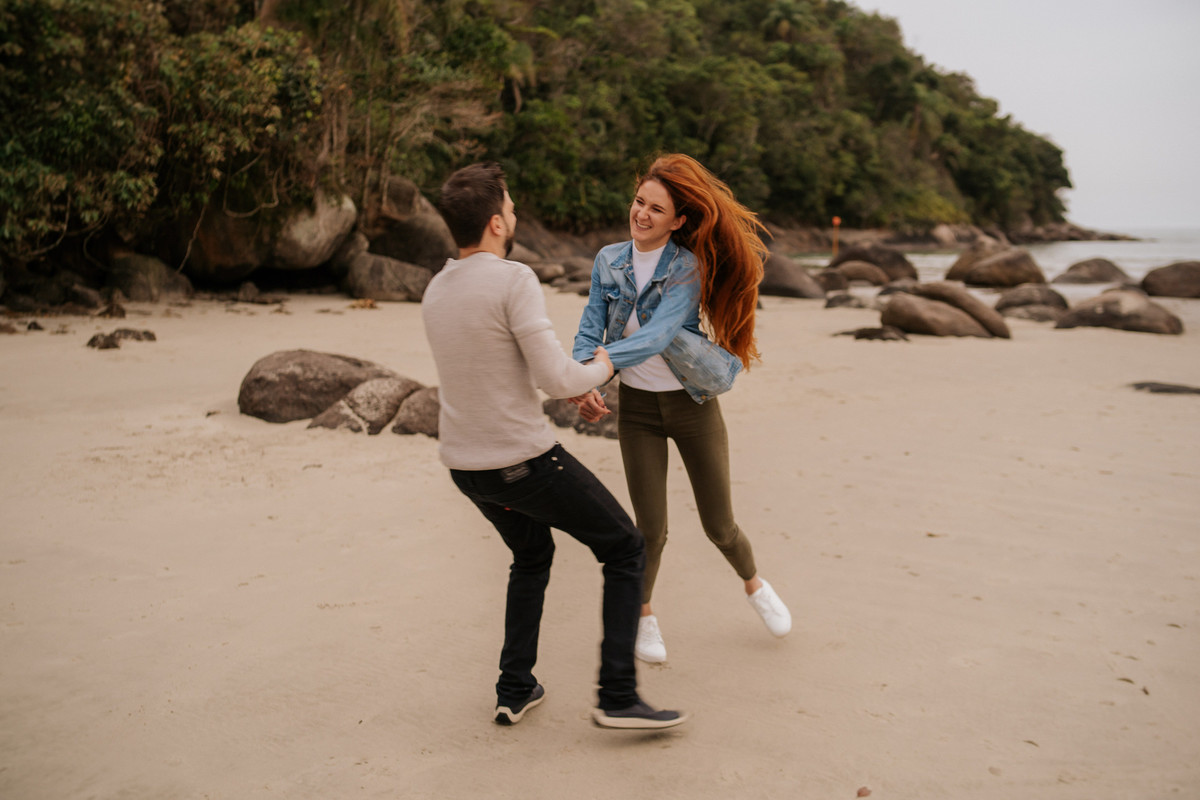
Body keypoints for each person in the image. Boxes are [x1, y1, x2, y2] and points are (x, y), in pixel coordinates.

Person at [421, 162, 686, 729]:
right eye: (512, 208)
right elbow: (560, 380)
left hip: (465, 467)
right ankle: (618, 696)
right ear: (495, 223)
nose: (515, 215)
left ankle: (515, 686)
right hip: (523, 463)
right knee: (625, 547)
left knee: (532, 554)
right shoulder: (513, 279)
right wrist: (611, 359)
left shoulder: (436, 289)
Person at [570, 153, 791, 664]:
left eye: (655, 208)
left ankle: (755, 585)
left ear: (679, 220)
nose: (641, 214)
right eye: (638, 202)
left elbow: (658, 335)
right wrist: (584, 376)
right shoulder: (608, 261)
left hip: (693, 406)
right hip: (640, 413)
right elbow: (589, 326)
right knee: (650, 528)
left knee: (721, 526)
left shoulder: (686, 267)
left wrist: (601, 366)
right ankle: (644, 615)